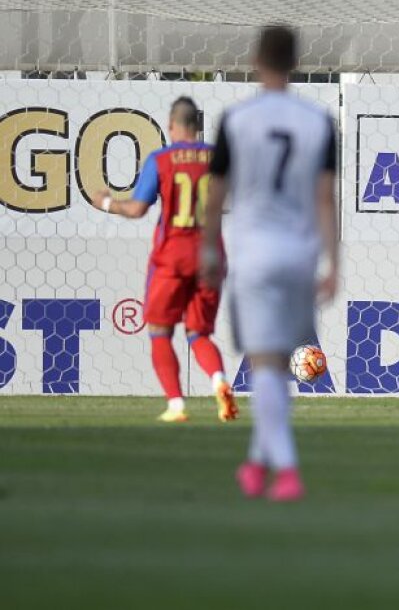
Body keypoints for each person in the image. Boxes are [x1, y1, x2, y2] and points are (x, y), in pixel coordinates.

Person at [201, 26, 338, 503]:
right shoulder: (318, 121)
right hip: (298, 256)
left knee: (265, 365)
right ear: (296, 61)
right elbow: (325, 198)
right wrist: (333, 263)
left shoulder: (237, 119)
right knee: (277, 368)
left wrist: (208, 250)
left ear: (257, 60)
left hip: (255, 255)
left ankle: (287, 470)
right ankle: (256, 466)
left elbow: (214, 195)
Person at [92, 96, 235, 424]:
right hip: (210, 254)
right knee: (199, 334)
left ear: (172, 126)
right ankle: (219, 381)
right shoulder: (218, 158)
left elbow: (137, 209)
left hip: (172, 254)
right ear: (197, 127)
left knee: (159, 331)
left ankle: (176, 405)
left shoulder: (162, 159)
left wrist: (106, 203)